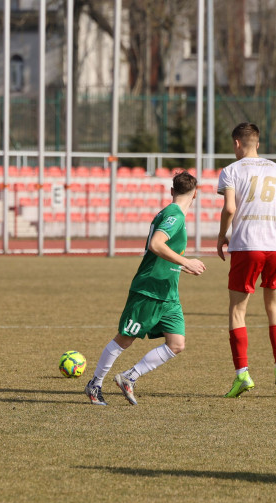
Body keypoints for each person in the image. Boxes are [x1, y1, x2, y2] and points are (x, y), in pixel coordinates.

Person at [84, 171, 207, 406]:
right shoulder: (175, 215)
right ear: (196, 194)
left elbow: (159, 254)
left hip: (168, 292)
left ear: (172, 191)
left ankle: (129, 377)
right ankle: (95, 384)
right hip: (149, 290)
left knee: (177, 343)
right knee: (125, 339)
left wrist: (180, 268)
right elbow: (156, 244)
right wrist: (186, 261)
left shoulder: (169, 213)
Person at [216, 122, 276, 398]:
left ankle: (242, 375)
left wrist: (221, 236)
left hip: (247, 246)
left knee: (238, 311)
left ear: (237, 143)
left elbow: (230, 207)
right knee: (274, 308)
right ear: (258, 144)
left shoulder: (231, 170)